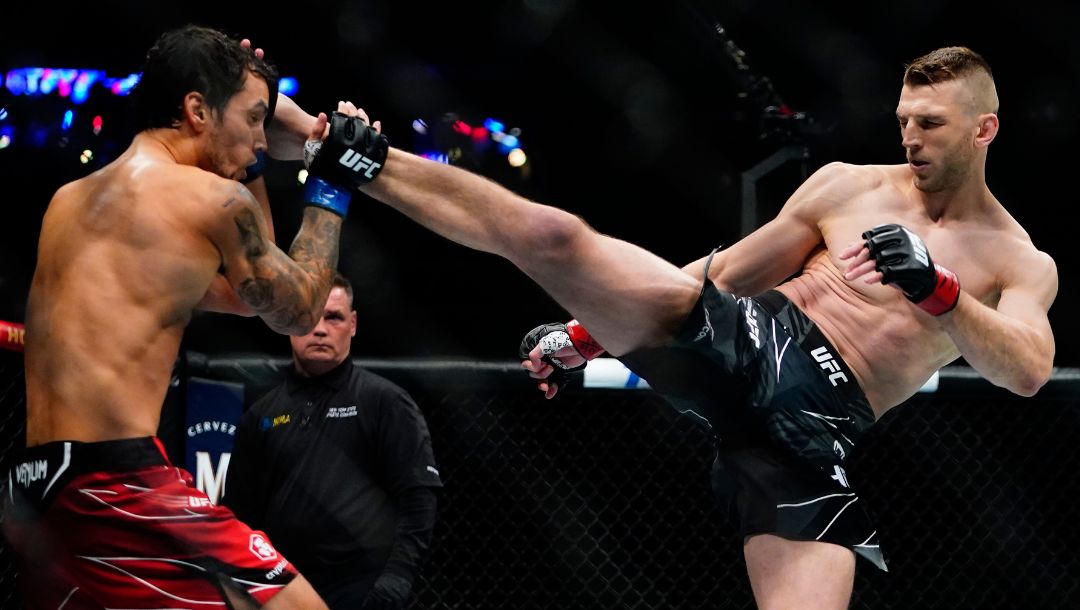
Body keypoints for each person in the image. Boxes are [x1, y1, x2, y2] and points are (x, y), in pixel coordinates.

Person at [318, 46, 1055, 609]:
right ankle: (360, 156)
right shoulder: (850, 184)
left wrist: (941, 292)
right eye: (903, 121)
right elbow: (730, 272)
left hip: (814, 430)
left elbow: (1024, 371)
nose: (911, 139)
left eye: (930, 124)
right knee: (559, 240)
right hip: (748, 338)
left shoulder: (1018, 258)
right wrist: (585, 336)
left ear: (985, 128)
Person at [1, 25, 388, 609]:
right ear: (197, 109)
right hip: (114, 487)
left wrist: (250, 151)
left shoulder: (71, 200)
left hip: (33, 488)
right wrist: (331, 185)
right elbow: (300, 310)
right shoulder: (211, 202)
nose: (262, 139)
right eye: (254, 117)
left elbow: (244, 295)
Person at [222, 272, 442, 610]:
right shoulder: (261, 415)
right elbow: (239, 514)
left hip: (361, 589)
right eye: (309, 318)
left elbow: (418, 498)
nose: (321, 329)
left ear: (352, 324)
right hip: (283, 589)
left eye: (334, 317)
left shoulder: (385, 402)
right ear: (287, 323)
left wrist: (396, 580)